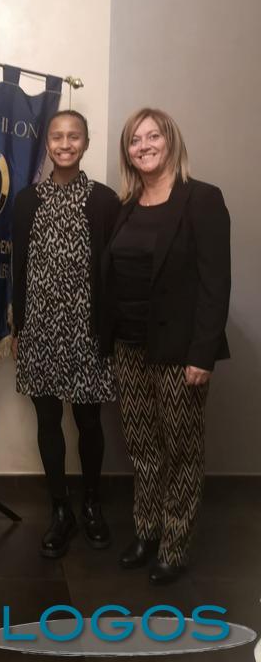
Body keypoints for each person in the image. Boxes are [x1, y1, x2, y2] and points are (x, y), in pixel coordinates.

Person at [104, 107, 230, 585]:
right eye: (135, 140)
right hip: (129, 347)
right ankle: (146, 531)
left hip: (180, 351)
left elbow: (216, 283)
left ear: (170, 140)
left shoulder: (202, 199)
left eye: (152, 136)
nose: (144, 146)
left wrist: (202, 353)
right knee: (142, 448)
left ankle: (174, 546)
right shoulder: (127, 205)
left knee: (181, 451)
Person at [11, 109, 120, 558]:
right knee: (47, 421)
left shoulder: (105, 201)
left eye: (74, 136)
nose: (65, 144)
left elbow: (113, 271)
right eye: (57, 137)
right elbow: (18, 267)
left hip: (86, 330)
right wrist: (18, 326)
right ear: (48, 144)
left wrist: (108, 330)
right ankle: (60, 508)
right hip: (39, 328)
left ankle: (91, 503)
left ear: (86, 143)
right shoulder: (26, 201)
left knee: (89, 422)